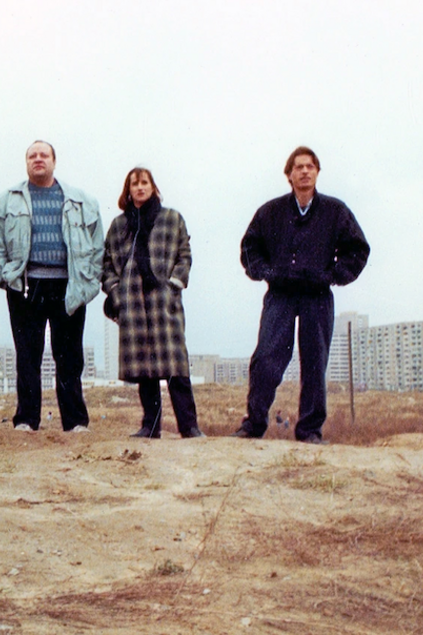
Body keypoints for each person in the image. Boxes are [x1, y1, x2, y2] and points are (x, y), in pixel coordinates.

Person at [233, 146, 370, 443]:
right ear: (289, 175)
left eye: (310, 166)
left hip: (316, 296)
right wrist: (264, 272)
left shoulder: (335, 211)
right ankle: (254, 424)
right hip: (280, 295)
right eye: (298, 167)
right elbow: (250, 247)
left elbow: (358, 249)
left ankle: (309, 431)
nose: (305, 171)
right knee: (267, 358)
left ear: (317, 172)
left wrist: (333, 276)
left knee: (314, 361)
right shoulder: (270, 212)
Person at [0, 141, 104, 432]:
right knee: (27, 356)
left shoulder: (82, 200)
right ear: (26, 163)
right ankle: (26, 420)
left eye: (43, 155)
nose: (38, 159)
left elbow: (98, 246)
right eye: (32, 155)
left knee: (70, 357)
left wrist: (88, 282)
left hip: (69, 287)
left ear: (54, 161)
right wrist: (7, 279)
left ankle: (75, 422)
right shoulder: (6, 200)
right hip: (26, 287)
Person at [102, 167, 203, 439]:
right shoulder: (119, 225)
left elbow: (184, 255)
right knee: (145, 371)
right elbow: (107, 263)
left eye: (144, 182)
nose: (140, 188)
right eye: (134, 184)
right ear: (128, 191)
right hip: (133, 304)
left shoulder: (171, 218)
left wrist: (174, 285)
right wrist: (115, 292)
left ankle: (189, 427)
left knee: (176, 368)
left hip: (164, 302)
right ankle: (151, 426)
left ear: (153, 187)